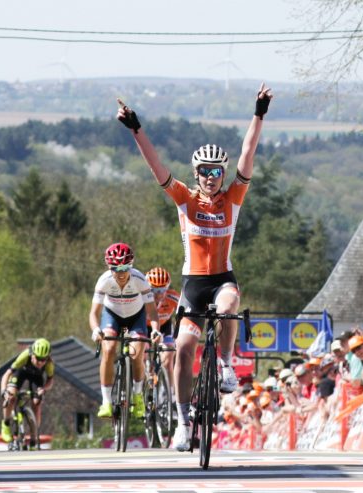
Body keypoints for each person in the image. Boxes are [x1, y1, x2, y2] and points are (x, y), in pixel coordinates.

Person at [117, 83, 273, 452]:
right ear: (196, 171)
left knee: (229, 306)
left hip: (222, 280)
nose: (210, 176)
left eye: (216, 170)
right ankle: (184, 424)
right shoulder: (185, 199)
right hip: (193, 284)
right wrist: (137, 129)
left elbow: (248, 153)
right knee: (184, 348)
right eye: (204, 170)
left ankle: (225, 364)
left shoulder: (233, 197)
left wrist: (259, 113)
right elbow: (157, 168)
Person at [89, 242, 159, 420]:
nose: (120, 273)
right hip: (111, 315)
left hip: (136, 317)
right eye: (115, 268)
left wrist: (156, 330)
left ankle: (137, 395)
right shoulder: (104, 281)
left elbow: (152, 311)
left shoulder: (140, 280)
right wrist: (96, 330)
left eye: (125, 268)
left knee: (137, 354)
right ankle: (106, 402)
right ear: (108, 266)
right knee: (109, 348)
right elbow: (94, 313)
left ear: (131, 265)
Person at [0, 338, 54, 446]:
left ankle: (34, 437)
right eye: (38, 358)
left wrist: (44, 389)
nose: (40, 362)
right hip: (21, 373)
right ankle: (6, 423)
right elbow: (7, 374)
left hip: (36, 378)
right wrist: (3, 391)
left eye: (44, 359)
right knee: (11, 396)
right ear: (32, 354)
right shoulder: (24, 356)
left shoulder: (49, 364)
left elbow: (50, 380)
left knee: (36, 402)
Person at [146, 266, 180, 377]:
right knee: (141, 355)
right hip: (145, 328)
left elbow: (186, 311)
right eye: (153, 290)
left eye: (161, 290)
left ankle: (168, 393)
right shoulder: (142, 298)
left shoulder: (172, 297)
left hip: (165, 327)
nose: (158, 294)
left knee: (168, 358)